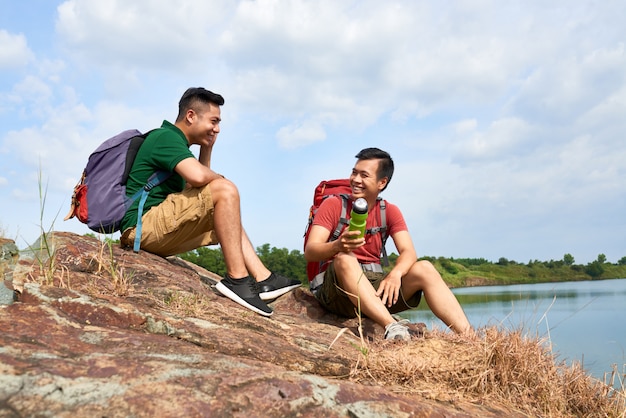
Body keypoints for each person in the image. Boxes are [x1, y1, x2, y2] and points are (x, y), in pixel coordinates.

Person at [120, 87, 300, 317]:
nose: (217, 128)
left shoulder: (177, 146)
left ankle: (264, 279)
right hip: (142, 228)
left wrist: (207, 149)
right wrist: (222, 181)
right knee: (225, 191)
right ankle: (237, 279)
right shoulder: (165, 137)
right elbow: (198, 178)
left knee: (223, 206)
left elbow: (195, 191)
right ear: (191, 116)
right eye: (214, 121)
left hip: (153, 229)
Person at [304, 148, 471, 340]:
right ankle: (391, 326)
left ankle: (470, 337)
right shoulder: (334, 204)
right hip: (337, 292)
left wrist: (396, 274)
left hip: (374, 287)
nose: (356, 180)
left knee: (425, 268)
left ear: (382, 183)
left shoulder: (389, 211)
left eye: (364, 175)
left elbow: (408, 252)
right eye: (354, 172)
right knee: (345, 258)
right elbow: (311, 251)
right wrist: (337, 246)